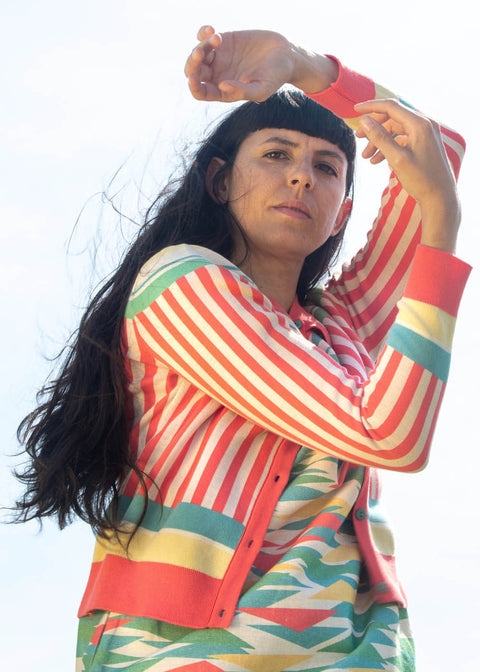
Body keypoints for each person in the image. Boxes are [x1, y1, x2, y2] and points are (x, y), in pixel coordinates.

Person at [14, 25, 470, 672]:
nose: (302, 177)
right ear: (221, 181)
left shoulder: (342, 322)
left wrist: (306, 67)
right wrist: (442, 227)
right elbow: (387, 434)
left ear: (342, 214)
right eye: (276, 155)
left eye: (326, 167)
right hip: (185, 655)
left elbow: (434, 150)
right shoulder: (182, 284)